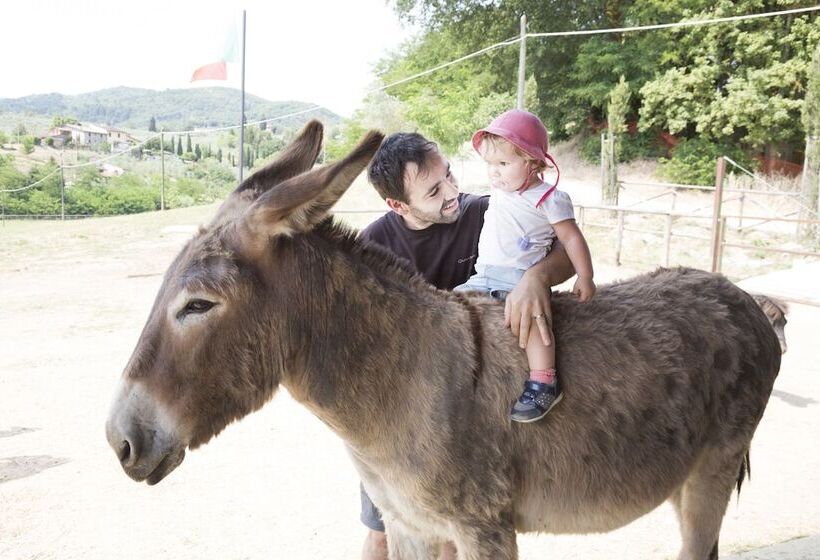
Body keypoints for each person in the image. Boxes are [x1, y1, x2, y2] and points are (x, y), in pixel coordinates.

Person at [357, 131, 576, 560]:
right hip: (399, 414)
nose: (453, 192)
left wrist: (537, 277)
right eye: (434, 190)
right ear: (397, 206)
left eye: (450, 175)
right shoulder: (371, 247)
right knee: (384, 533)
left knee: (457, 533)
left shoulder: (487, 212)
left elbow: (567, 252)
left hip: (466, 410)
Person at [458, 109, 595, 423]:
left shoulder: (549, 198)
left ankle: (544, 380)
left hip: (521, 279)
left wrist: (585, 276)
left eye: (503, 164)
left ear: (533, 162)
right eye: (491, 165)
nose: (495, 173)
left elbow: (572, 238)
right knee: (451, 305)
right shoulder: (500, 190)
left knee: (534, 322)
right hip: (482, 275)